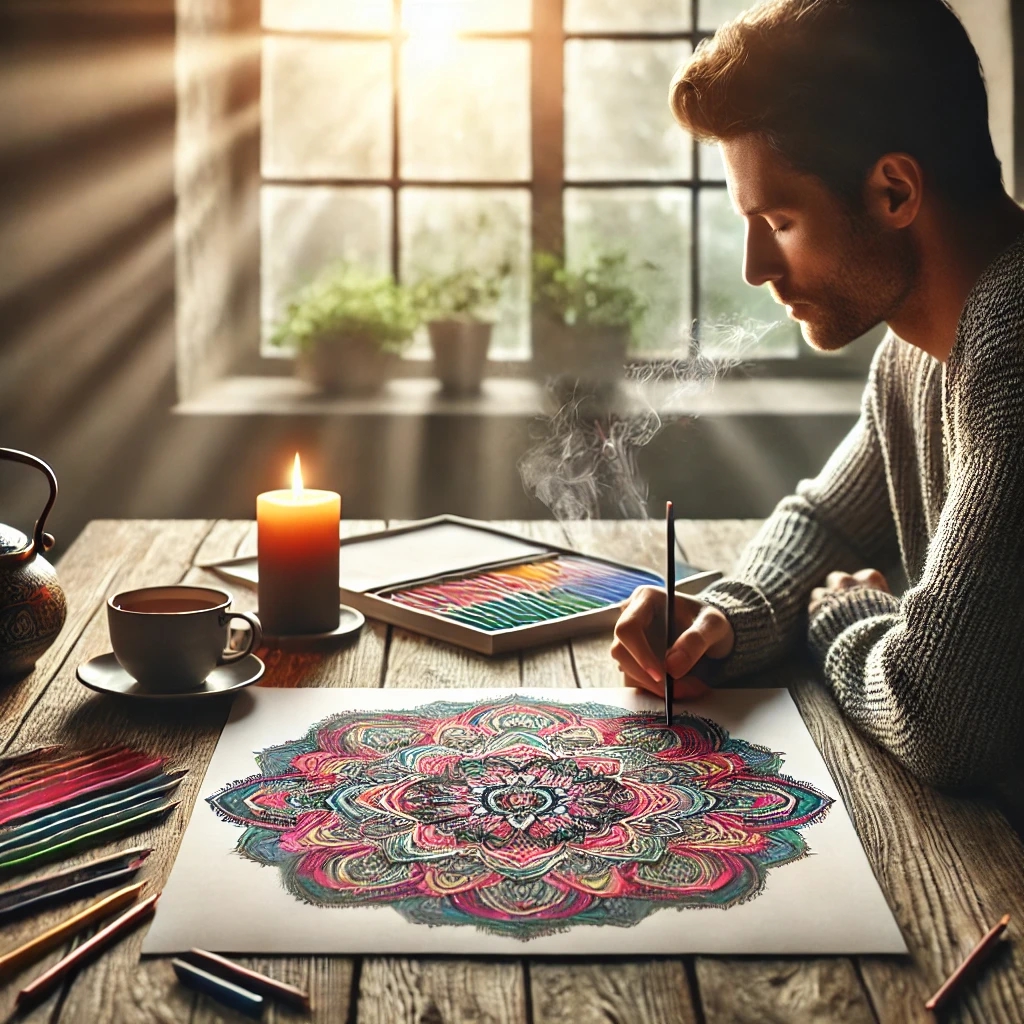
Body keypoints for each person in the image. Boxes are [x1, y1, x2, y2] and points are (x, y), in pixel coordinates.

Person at [611, 0, 1024, 792]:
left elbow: (940, 718)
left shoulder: (1015, 346)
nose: (755, 269)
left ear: (894, 192)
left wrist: (839, 618)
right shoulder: (919, 350)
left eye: (781, 219)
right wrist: (724, 620)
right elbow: (830, 521)